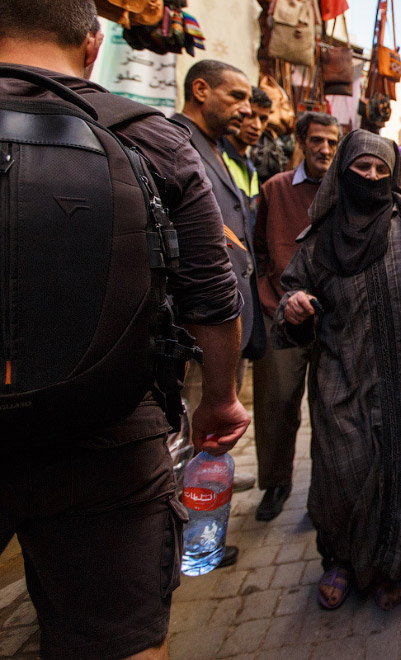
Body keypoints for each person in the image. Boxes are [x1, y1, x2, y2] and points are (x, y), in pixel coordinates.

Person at [0, 3, 250, 658]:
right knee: (122, 638)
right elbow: (211, 293)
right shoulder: (147, 135)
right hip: (108, 433)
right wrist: (218, 401)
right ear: (91, 47)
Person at [272, 130, 401, 611]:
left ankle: (390, 563)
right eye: (361, 168)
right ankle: (341, 561)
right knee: (345, 470)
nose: (370, 177)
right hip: (342, 376)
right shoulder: (321, 238)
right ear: (343, 173)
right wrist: (295, 306)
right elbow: (292, 298)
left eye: (381, 170)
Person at [252, 111, 339, 521]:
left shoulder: (345, 191)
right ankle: (275, 482)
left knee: (332, 405)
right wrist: (271, 295)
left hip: (333, 316)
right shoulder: (275, 189)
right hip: (280, 311)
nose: (325, 149)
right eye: (318, 140)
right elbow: (257, 249)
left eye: (333, 142)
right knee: (278, 400)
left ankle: (326, 489)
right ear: (302, 141)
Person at [174, 60, 267, 397]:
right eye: (237, 97)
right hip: (197, 330)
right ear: (201, 90)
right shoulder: (177, 143)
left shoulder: (221, 150)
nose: (246, 110)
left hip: (226, 326)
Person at [221, 85, 272, 219]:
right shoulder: (218, 157)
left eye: (263, 119)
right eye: (251, 116)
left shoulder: (250, 167)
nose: (257, 126)